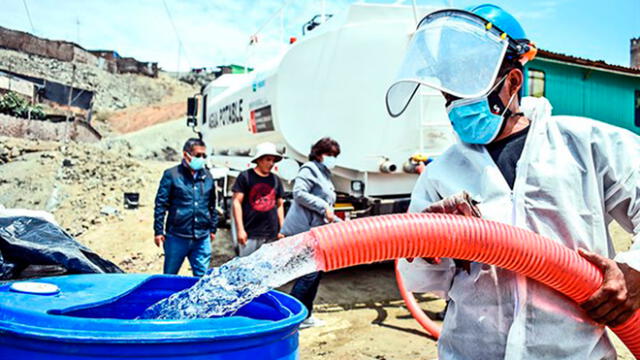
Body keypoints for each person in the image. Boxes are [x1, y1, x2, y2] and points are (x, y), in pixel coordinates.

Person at [386, 4, 640, 359]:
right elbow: (422, 283)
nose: (454, 105)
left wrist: (635, 269)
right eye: (448, 95)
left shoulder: (587, 144)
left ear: (513, 82)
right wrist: (432, 249)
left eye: (465, 90)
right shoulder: (441, 172)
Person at [281, 137, 341, 329]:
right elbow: (299, 193)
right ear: (318, 153)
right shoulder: (309, 169)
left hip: (318, 232)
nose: (332, 159)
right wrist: (324, 207)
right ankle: (291, 317)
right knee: (308, 274)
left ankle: (306, 315)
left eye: (335, 156)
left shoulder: (324, 173)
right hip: (303, 230)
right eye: (329, 154)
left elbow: (328, 208)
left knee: (315, 273)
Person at [153, 138, 217, 277]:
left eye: (203, 156)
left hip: (201, 237)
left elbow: (212, 205)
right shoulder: (172, 175)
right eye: (197, 155)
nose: (201, 159)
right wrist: (158, 231)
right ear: (186, 155)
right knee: (170, 276)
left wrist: (212, 228)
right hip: (177, 236)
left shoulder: (207, 176)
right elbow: (161, 204)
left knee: (201, 279)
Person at [231, 142, 285, 257]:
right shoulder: (245, 177)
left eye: (273, 160)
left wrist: (282, 229)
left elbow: (280, 205)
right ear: (259, 160)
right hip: (250, 234)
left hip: (271, 235)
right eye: (268, 159)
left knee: (268, 270)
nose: (271, 163)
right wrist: (240, 230)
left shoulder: (276, 180)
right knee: (247, 269)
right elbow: (236, 202)